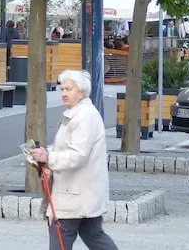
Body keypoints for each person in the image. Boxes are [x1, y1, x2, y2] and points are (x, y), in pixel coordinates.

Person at [31, 70, 119, 250]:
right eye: (62, 89)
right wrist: (46, 153)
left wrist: (49, 157)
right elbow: (68, 148)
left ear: (82, 91)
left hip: (74, 193)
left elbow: (78, 155)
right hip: (82, 191)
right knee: (93, 234)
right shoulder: (80, 113)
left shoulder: (84, 116)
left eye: (69, 89)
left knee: (62, 235)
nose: (64, 93)